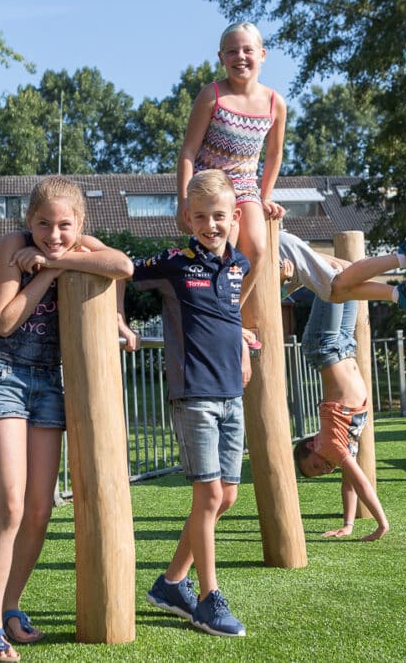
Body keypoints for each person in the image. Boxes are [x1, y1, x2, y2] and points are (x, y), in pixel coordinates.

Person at [0, 177, 133, 662]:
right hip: (1, 374)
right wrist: (44, 274)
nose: (53, 234)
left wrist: (59, 261)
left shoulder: (74, 246)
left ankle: (12, 606)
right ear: (28, 221)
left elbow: (121, 266)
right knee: (12, 506)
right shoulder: (11, 247)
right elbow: (4, 319)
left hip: (47, 381)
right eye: (43, 224)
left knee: (41, 507)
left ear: (81, 223)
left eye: (65, 225)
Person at [123, 170, 251, 637]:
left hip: (231, 397)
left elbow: (229, 313)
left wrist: (242, 339)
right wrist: (120, 319)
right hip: (193, 394)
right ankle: (207, 596)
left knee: (228, 497)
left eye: (219, 216)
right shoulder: (176, 263)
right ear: (188, 219)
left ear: (234, 216)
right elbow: (123, 269)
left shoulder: (240, 265)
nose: (210, 225)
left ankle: (171, 581)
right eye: (200, 217)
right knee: (209, 496)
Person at [282, 254, 394, 541]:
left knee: (333, 274)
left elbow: (361, 482)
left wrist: (382, 523)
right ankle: (300, 275)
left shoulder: (332, 443)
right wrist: (349, 524)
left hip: (325, 345)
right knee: (347, 272)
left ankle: (296, 269)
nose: (324, 467)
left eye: (316, 464)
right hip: (344, 346)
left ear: (313, 444)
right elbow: (349, 484)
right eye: (321, 472)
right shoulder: (345, 444)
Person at [176, 21, 287, 306]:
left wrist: (266, 195)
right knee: (225, 241)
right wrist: (184, 201)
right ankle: (211, 303)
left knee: (258, 246)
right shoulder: (212, 95)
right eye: (232, 51)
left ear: (262, 54)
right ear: (221, 57)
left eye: (247, 50)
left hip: (244, 184)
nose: (240, 57)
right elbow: (188, 151)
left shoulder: (275, 103)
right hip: (209, 182)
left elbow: (274, 154)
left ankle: (233, 309)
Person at [278, 230, 406, 333]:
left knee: (335, 288)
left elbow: (268, 294)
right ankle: (399, 293)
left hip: (278, 252)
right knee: (345, 274)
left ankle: (405, 257)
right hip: (282, 253)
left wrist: (282, 279)